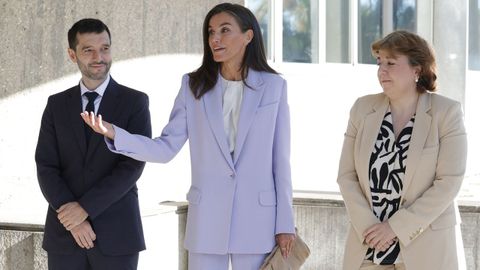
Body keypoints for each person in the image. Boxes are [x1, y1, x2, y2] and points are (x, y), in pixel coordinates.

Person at [82, 3, 295, 270]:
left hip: (258, 221)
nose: (215, 39)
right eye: (211, 32)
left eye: (225, 30)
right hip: (206, 221)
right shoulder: (193, 86)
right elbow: (166, 147)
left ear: (248, 35)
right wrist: (115, 134)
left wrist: (285, 224)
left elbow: (281, 162)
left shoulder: (274, 87)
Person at [337, 30, 468, 270]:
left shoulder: (446, 113)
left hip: (428, 249)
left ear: (416, 70)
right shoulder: (362, 109)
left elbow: (448, 182)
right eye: (379, 63)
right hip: (369, 247)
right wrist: (371, 229)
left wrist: (395, 228)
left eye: (391, 63)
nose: (381, 70)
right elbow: (346, 176)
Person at [35, 18, 151, 270]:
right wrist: (73, 218)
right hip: (65, 234)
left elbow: (132, 165)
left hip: (117, 234)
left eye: (105, 48)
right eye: (88, 50)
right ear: (72, 54)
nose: (99, 57)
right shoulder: (56, 105)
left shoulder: (135, 102)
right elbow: (46, 165)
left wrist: (85, 209)